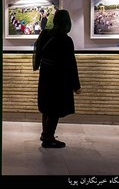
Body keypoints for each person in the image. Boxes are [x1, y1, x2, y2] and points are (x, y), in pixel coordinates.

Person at [34, 9, 82, 148]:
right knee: (55, 109)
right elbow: (70, 64)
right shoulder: (65, 40)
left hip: (45, 77)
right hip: (59, 80)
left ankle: (45, 134)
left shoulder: (45, 34)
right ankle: (48, 138)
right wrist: (76, 86)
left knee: (46, 107)